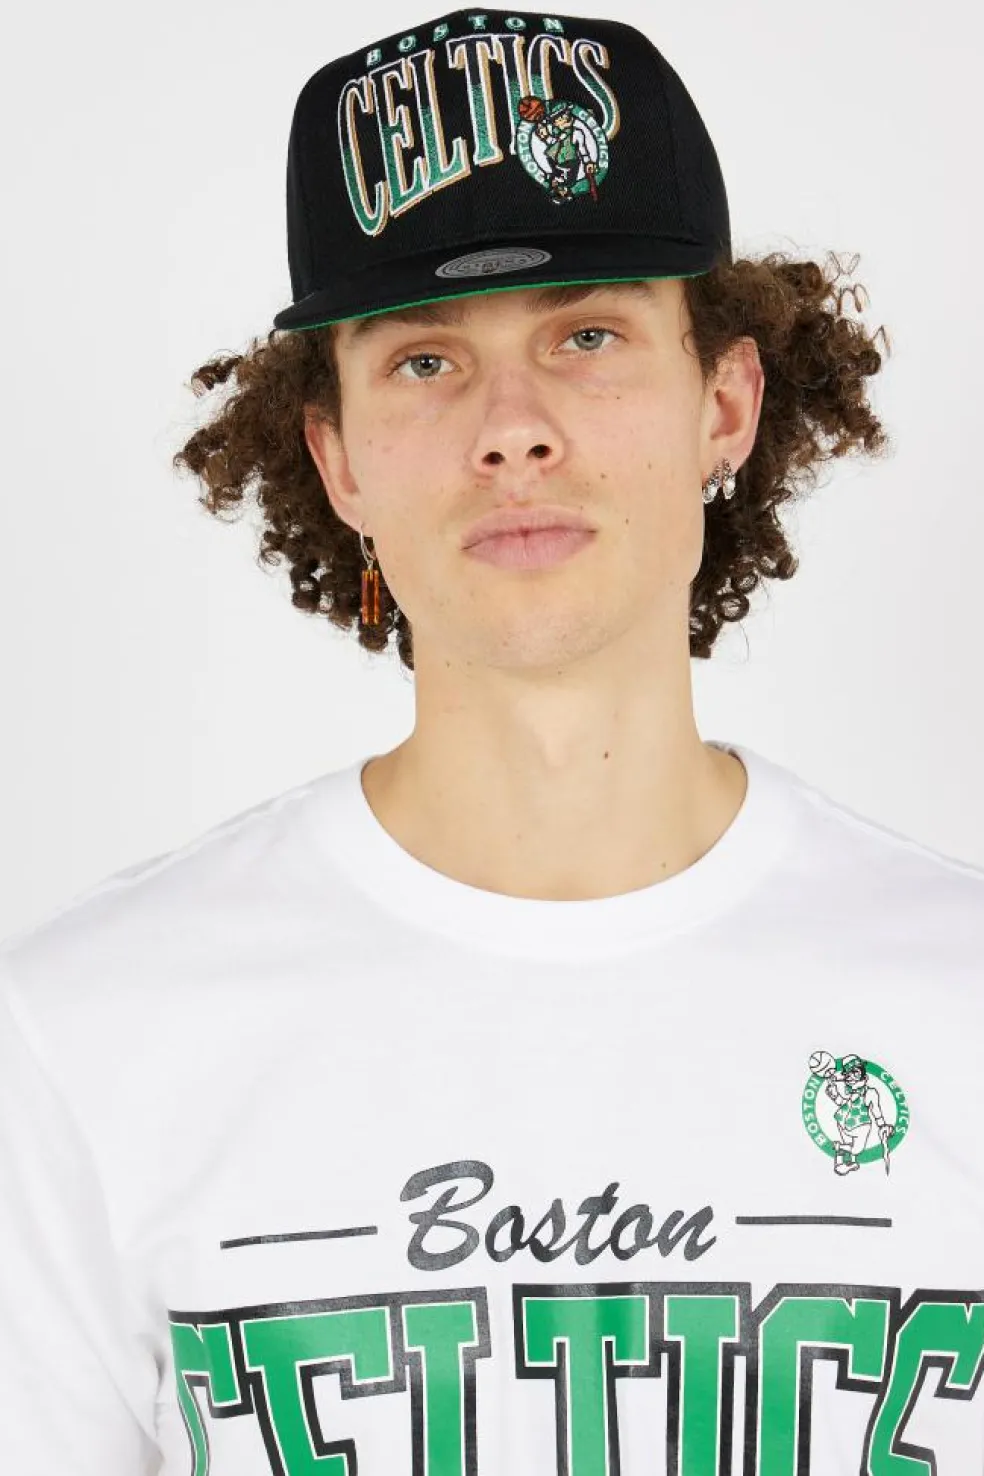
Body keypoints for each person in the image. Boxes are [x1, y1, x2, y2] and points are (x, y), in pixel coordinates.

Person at [1, 9, 982, 1475]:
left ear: (723, 404)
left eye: (587, 336)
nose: (512, 429)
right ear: (337, 456)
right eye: (424, 360)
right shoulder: (85, 1034)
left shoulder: (961, 1005)